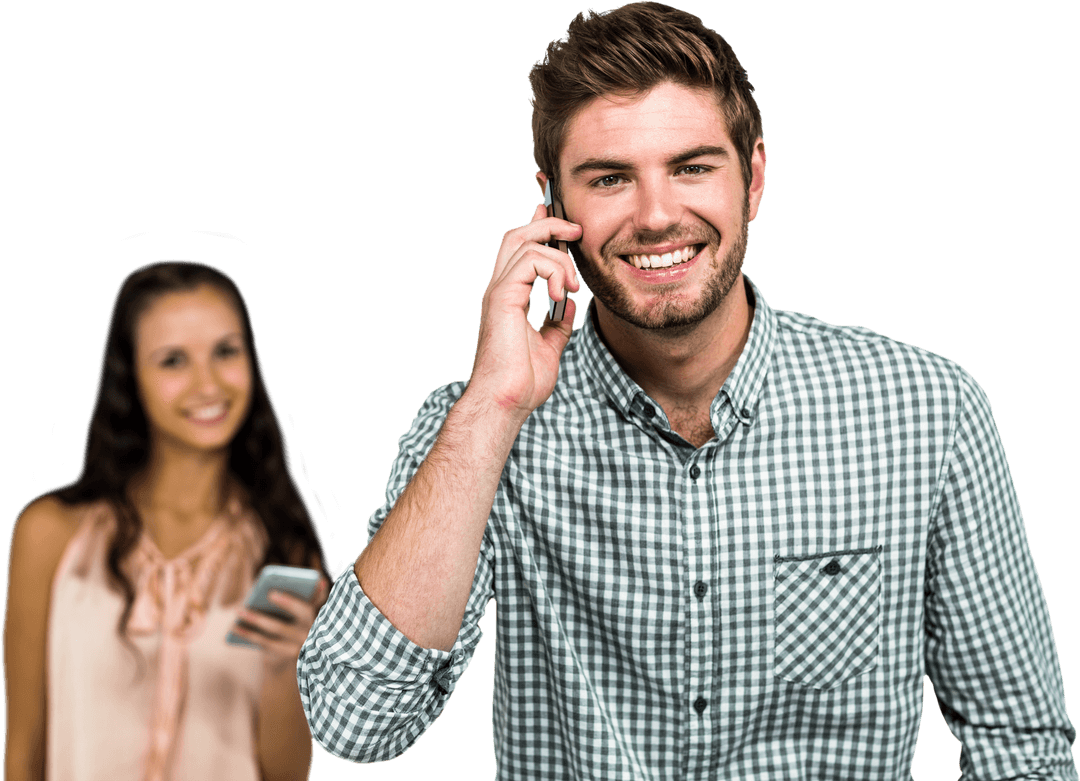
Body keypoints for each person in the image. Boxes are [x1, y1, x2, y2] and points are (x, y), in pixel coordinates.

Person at [297, 2, 1078, 778]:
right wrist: (493, 406)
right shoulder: (476, 429)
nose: (657, 215)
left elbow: (1023, 750)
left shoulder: (928, 412)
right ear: (554, 206)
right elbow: (354, 718)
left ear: (754, 177)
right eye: (610, 178)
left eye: (693, 167)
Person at [3, 260, 334, 781]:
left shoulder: (283, 555)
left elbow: (285, 774)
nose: (208, 384)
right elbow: (23, 752)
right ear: (131, 377)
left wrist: (284, 667)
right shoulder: (49, 534)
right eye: (173, 360)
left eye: (226, 352)